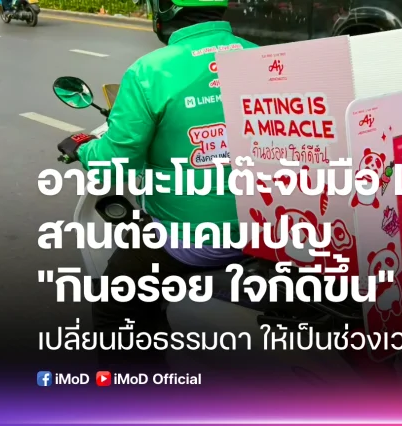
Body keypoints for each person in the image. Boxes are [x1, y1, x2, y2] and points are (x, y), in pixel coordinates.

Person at [57, 0, 256, 371]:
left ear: (165, 8)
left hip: (193, 242)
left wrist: (83, 150)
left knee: (113, 308)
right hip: (269, 233)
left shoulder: (150, 71)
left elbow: (115, 163)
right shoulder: (264, 58)